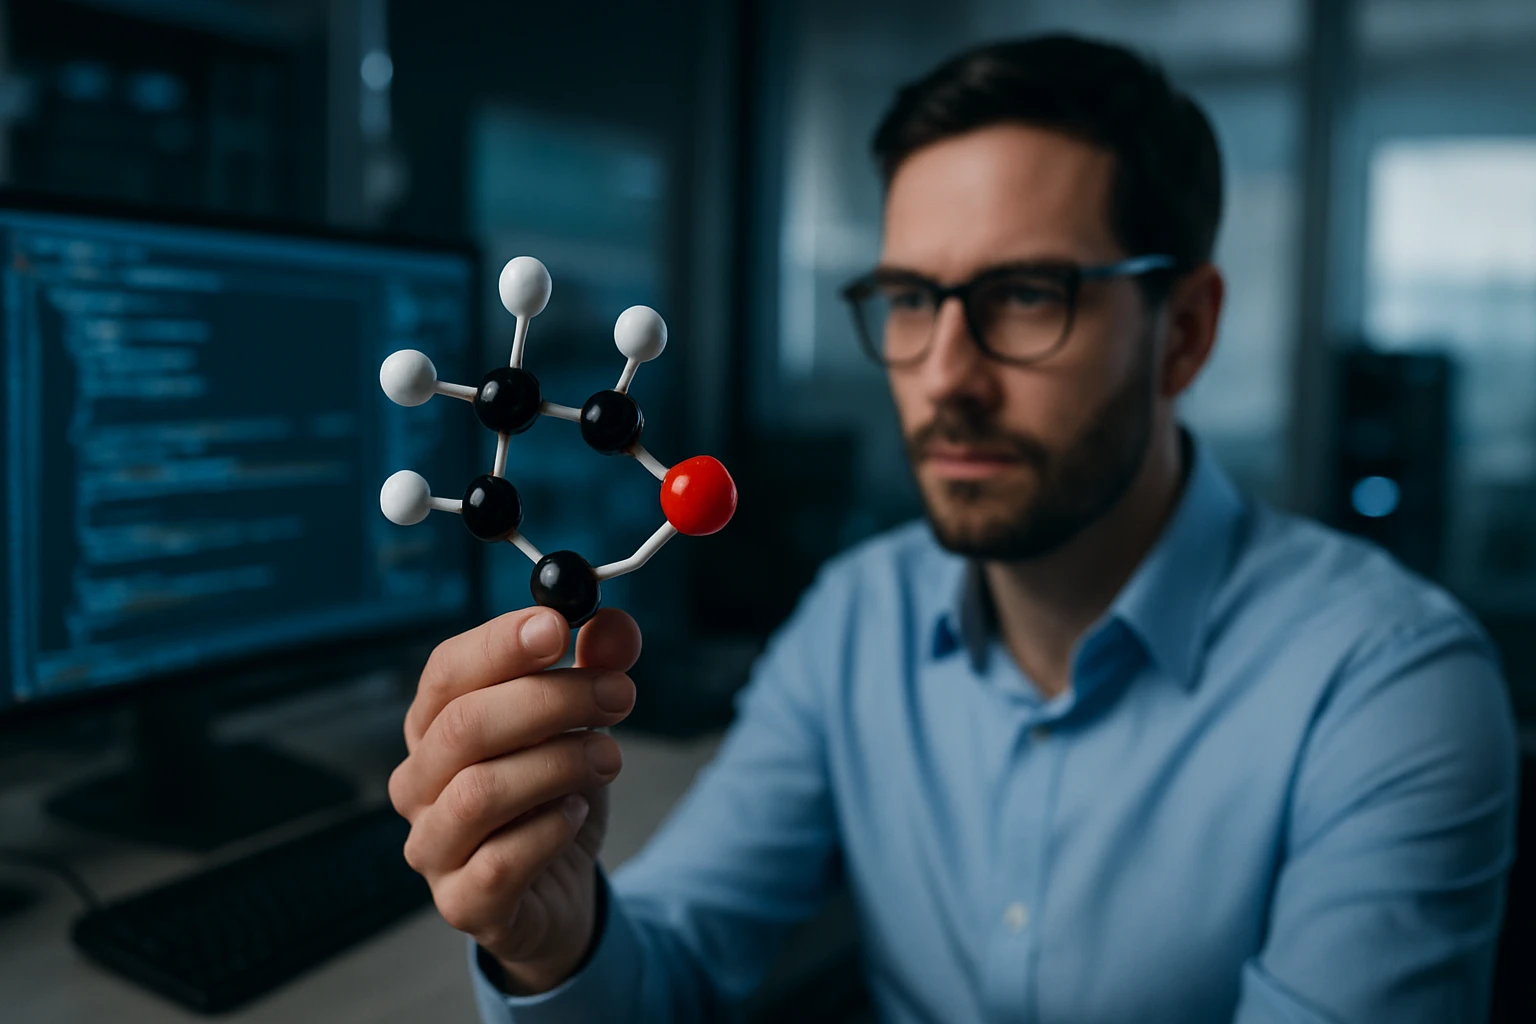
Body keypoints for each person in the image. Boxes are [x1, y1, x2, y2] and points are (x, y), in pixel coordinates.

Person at [386, 34, 1518, 1023]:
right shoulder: (856, 621)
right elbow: (670, 974)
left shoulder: (1390, 688)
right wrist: (556, 941)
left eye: (1027, 294)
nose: (945, 376)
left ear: (1184, 332)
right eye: (913, 299)